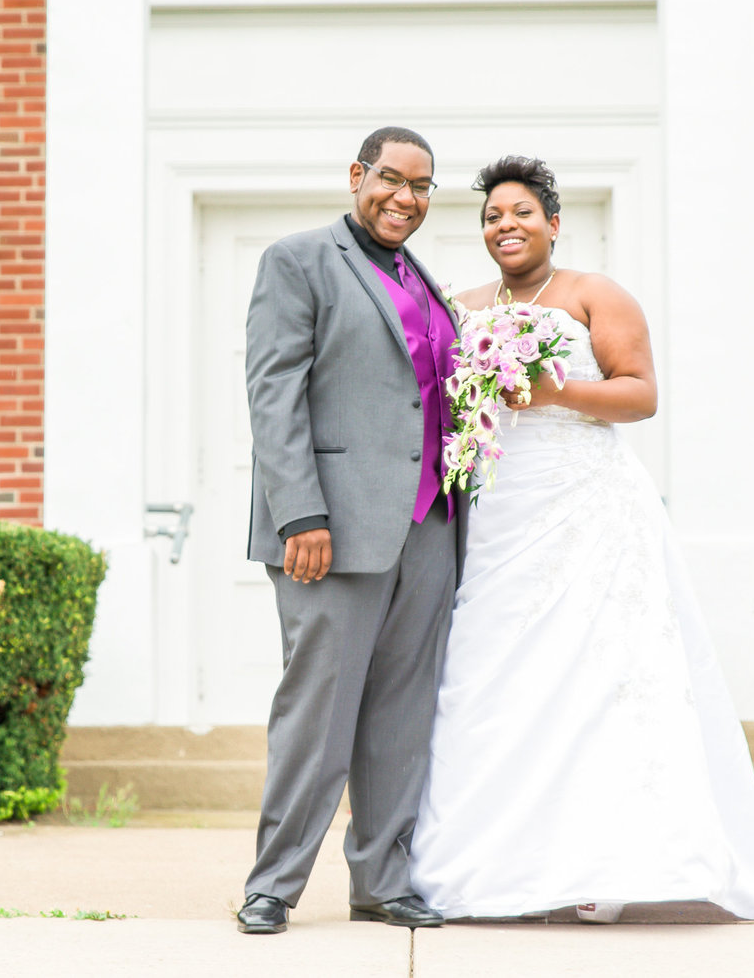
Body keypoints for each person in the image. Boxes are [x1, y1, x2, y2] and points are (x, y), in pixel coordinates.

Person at [408, 156, 754, 923]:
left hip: (587, 512)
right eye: (493, 216)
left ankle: (602, 864)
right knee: (492, 678)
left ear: (552, 223)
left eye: (521, 212)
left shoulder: (596, 295)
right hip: (497, 518)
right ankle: (489, 861)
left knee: (595, 678)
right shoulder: (460, 305)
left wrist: (555, 390)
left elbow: (639, 394)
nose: (506, 226)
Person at [237, 127, 467, 935]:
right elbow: (275, 394)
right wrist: (302, 512)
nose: (405, 198)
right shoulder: (298, 261)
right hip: (329, 529)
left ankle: (382, 881)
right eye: (391, 179)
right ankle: (274, 884)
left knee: (402, 712)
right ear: (357, 176)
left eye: (422, 187)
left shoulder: (425, 281)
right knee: (319, 711)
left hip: (429, 523)